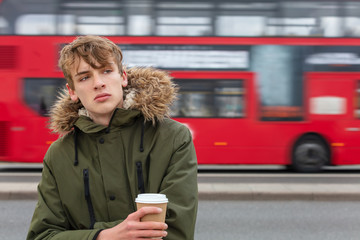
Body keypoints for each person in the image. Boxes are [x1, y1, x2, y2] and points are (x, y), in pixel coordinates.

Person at [27, 35, 198, 240]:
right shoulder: (58, 154)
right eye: (84, 77)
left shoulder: (173, 138)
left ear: (123, 76)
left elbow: (177, 230)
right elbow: (42, 236)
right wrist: (104, 236)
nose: (99, 83)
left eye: (106, 71)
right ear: (72, 91)